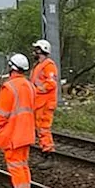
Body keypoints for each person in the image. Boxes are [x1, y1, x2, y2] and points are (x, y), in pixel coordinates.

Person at [0, 53, 36, 188]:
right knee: (23, 165)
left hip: (13, 134)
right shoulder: (29, 85)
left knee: (15, 166)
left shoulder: (9, 87)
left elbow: (2, 114)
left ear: (12, 68)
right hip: (27, 132)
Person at [30, 38, 59, 167]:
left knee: (43, 129)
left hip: (46, 104)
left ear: (41, 50)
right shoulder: (40, 66)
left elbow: (51, 83)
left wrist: (36, 90)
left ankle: (49, 154)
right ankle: (45, 153)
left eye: (36, 49)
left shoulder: (49, 65)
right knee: (40, 129)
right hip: (40, 103)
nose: (34, 52)